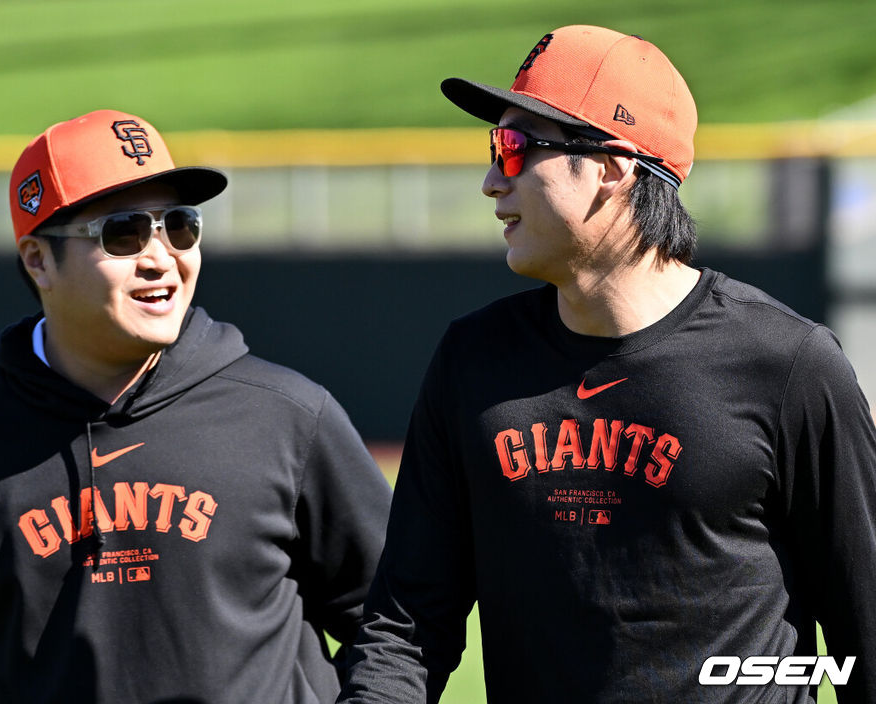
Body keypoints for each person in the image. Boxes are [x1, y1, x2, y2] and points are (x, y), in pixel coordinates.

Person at [339, 25, 876, 703]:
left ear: (613, 167)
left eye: (513, 148)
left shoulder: (790, 367)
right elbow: (408, 624)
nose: (488, 182)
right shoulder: (472, 362)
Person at [0, 109, 392, 703]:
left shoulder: (290, 417)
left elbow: (394, 619)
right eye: (123, 233)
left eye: (180, 226)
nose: (161, 257)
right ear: (38, 261)